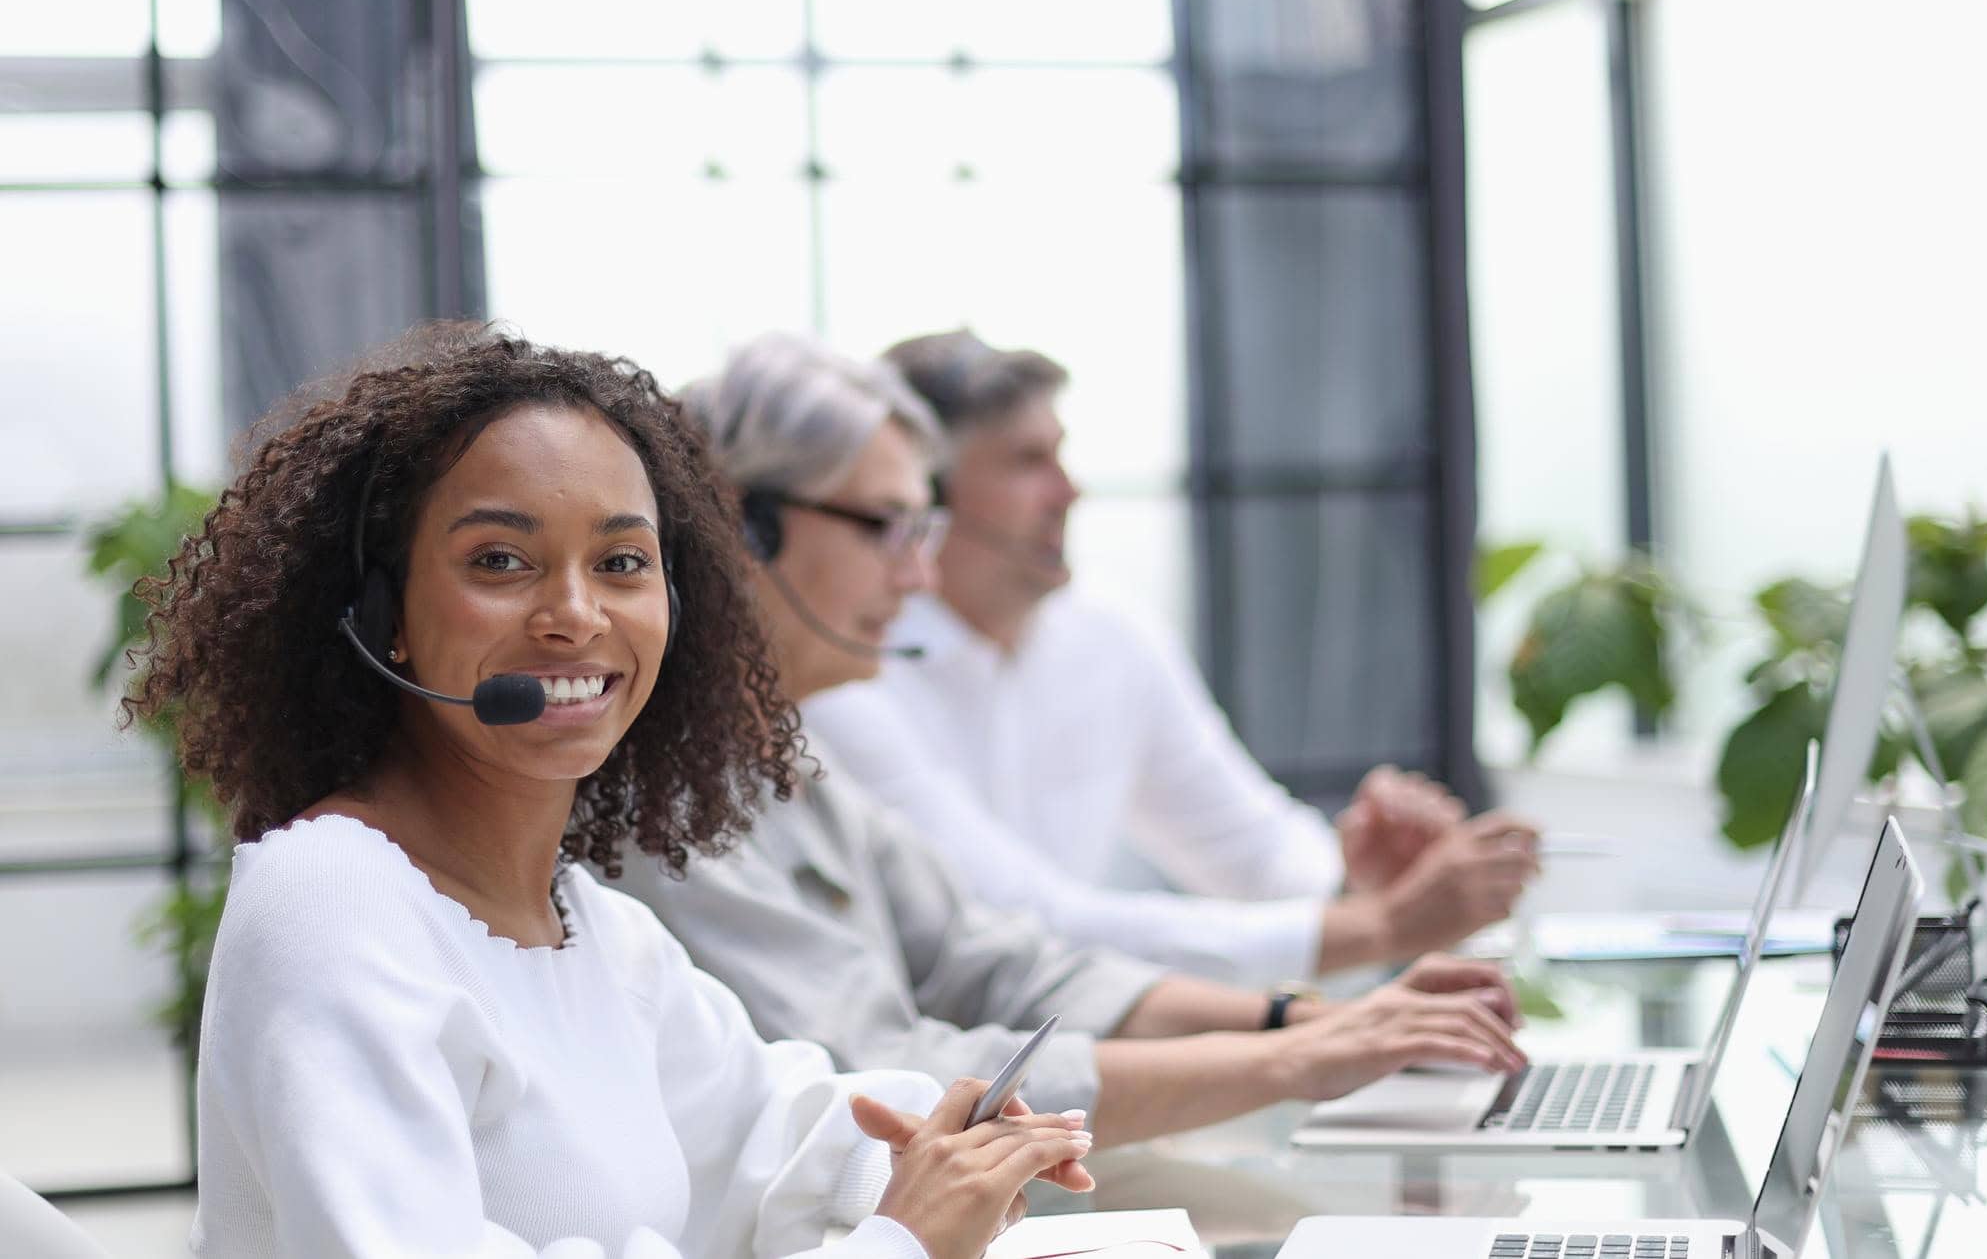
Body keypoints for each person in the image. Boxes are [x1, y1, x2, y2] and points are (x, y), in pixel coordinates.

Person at [125, 324, 1092, 1259]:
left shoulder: (590, 927)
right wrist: (908, 1239)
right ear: (387, 616)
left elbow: (767, 1126)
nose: (576, 615)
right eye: (500, 560)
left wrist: (931, 1146)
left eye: (623, 562)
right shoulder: (332, 907)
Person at [611, 333, 1528, 1149]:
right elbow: (882, 1068)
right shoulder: (664, 792)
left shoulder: (774, 757)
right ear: (741, 526)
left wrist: (1303, 1021)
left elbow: (999, 961)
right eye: (890, 527)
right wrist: (1299, 1051)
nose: (918, 570)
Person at [802, 329, 1540, 984]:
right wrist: (1378, 926)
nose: (1069, 490)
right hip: (920, 1096)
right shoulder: (847, 664)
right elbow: (1022, 925)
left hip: (1092, 1068)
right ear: (925, 496)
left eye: (1061, 455)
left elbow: (1247, 846)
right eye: (1028, 461)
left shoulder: (1109, 634)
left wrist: (1356, 881)